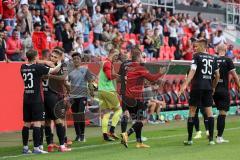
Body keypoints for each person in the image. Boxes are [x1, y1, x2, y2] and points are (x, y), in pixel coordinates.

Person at [120, 47, 164, 148]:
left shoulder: (128, 67)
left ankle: (139, 142)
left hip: (126, 98)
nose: (143, 59)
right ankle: (127, 134)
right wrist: (160, 73)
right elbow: (152, 78)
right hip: (135, 98)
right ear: (139, 57)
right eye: (142, 57)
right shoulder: (140, 68)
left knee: (138, 119)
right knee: (143, 119)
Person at [179, 39, 220, 145]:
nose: (195, 48)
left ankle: (189, 140)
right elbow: (217, 75)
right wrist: (213, 86)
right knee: (209, 112)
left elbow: (192, 71)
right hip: (208, 88)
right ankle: (211, 140)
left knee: (192, 111)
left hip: (197, 87)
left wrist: (185, 84)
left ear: (203, 46)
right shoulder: (213, 58)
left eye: (196, 46)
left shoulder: (196, 56)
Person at [20, 49, 61, 154]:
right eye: (37, 56)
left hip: (26, 98)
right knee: (37, 122)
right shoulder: (37, 67)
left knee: (26, 124)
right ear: (35, 58)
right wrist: (60, 63)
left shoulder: (23, 67)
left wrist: (44, 62)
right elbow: (54, 70)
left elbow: (32, 66)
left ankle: (25, 148)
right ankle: (37, 148)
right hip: (36, 98)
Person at [42, 48, 71, 152]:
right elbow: (64, 79)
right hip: (53, 96)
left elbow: (63, 79)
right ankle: (61, 145)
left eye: (55, 57)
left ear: (60, 58)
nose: (52, 58)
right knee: (56, 121)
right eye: (52, 56)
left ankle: (50, 144)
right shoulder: (61, 66)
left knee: (49, 121)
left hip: (49, 96)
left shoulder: (51, 66)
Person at [214, 44, 240, 143]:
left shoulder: (213, 60)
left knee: (209, 112)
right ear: (225, 50)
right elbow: (234, 76)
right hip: (223, 90)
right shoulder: (228, 60)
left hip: (213, 90)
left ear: (217, 50)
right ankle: (219, 137)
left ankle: (210, 133)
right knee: (222, 113)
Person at [68, 52, 95, 142]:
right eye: (74, 59)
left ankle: (82, 135)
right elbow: (66, 84)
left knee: (80, 114)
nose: (76, 60)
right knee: (75, 116)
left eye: (77, 59)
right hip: (73, 97)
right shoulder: (70, 71)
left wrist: (91, 95)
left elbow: (90, 82)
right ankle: (77, 135)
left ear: (80, 60)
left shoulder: (85, 70)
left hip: (82, 96)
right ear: (72, 60)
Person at [98, 49, 123, 141]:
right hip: (108, 91)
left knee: (107, 113)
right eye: (116, 56)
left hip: (101, 91)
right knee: (119, 110)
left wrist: (118, 76)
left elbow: (109, 75)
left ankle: (105, 135)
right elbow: (109, 76)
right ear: (111, 54)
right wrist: (118, 76)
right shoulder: (108, 63)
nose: (116, 58)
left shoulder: (105, 63)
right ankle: (112, 130)